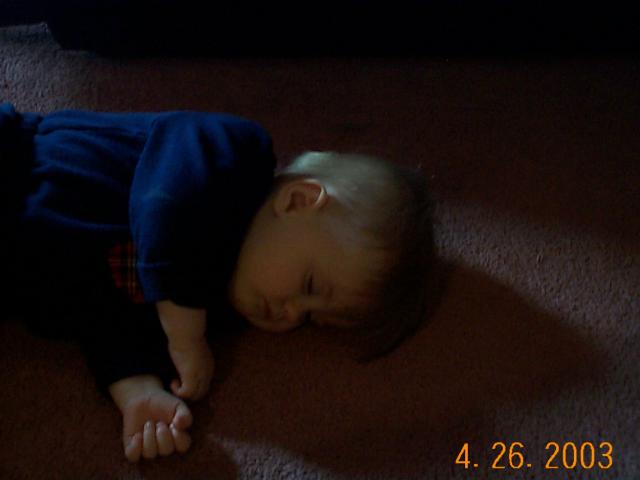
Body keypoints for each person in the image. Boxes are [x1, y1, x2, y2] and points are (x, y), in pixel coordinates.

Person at [0, 103, 434, 462]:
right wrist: (183, 331)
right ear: (298, 201)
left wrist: (136, 387)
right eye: (310, 286)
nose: (290, 312)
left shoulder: (218, 310)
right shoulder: (235, 156)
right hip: (15, 165)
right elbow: (166, 202)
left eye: (309, 319)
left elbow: (105, 315)